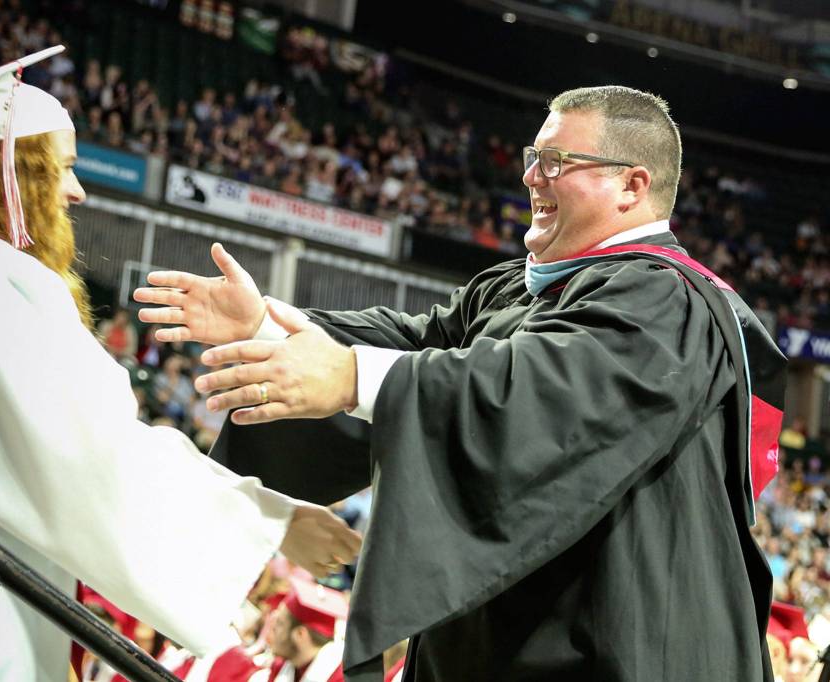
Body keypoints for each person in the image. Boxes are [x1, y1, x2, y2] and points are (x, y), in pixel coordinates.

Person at [135, 86, 784, 680]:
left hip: (619, 654)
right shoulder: (516, 290)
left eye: (556, 160)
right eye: (534, 155)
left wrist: (351, 376)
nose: (531, 175)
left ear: (631, 185)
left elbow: (539, 394)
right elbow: (420, 345)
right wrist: (272, 329)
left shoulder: (666, 300)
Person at [0, 47, 360, 680]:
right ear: (10, 176)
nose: (76, 189)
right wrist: (273, 519)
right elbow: (93, 453)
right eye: (62, 168)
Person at [247, 578, 348, 682]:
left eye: (280, 624)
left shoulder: (342, 678)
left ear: (300, 634)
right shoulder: (281, 666)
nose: (272, 629)